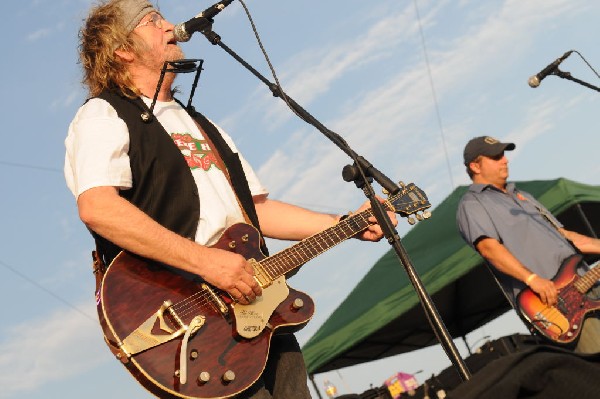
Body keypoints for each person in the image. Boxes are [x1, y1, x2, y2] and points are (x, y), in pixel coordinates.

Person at [63, 1, 397, 398]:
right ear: (122, 49)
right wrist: (208, 262)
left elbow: (255, 211)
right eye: (153, 21)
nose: (170, 25)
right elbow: (98, 208)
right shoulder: (103, 115)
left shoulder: (203, 125)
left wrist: (348, 223)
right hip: (192, 321)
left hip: (258, 301)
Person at [456, 136, 600, 354]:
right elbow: (489, 249)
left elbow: (566, 237)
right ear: (475, 166)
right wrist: (532, 279)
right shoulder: (472, 204)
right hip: (559, 305)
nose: (504, 160)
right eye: (495, 157)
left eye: (504, 155)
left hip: (589, 285)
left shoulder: (524, 196)